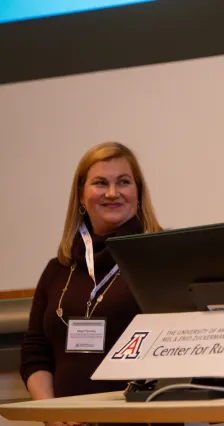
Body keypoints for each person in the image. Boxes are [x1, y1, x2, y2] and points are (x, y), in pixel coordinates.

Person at [20, 142, 162, 422]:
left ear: (138, 193)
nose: (112, 193)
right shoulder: (57, 270)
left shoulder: (160, 260)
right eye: (100, 183)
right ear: (81, 197)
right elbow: (36, 353)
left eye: (123, 182)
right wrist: (53, 414)